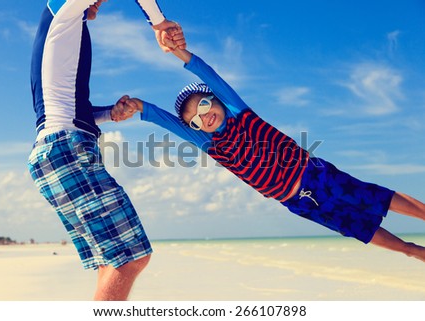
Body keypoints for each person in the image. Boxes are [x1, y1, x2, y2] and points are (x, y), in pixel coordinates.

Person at [122, 35, 425, 262]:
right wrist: (140, 107)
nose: (204, 116)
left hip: (315, 175)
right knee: (356, 227)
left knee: (373, 197)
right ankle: (412, 251)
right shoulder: (211, 144)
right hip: (297, 201)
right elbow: (169, 124)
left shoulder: (240, 112)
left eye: (204, 105)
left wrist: (180, 54)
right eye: (196, 120)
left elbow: (211, 76)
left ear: (215, 99)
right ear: (197, 130)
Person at [28, 0, 185, 301]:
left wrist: (110, 113)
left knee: (111, 260)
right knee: (130, 257)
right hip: (66, 150)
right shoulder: (61, 10)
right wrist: (158, 23)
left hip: (56, 150)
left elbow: (66, 108)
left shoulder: (65, 30)